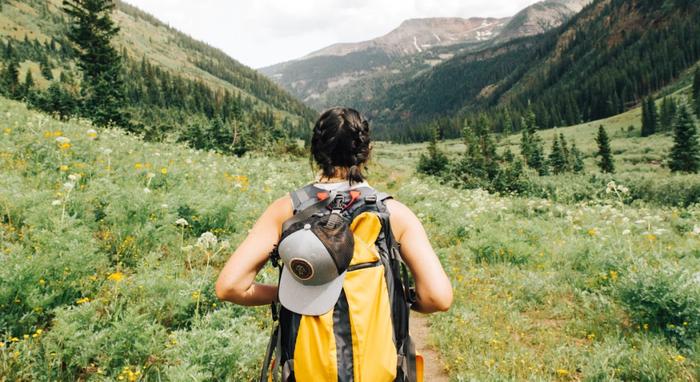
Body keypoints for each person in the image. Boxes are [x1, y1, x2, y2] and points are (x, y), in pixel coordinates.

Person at [215, 107, 452, 379]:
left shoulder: (286, 210)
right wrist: (399, 297)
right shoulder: (394, 214)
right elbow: (438, 297)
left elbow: (229, 287)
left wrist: (290, 294)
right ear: (367, 151)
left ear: (315, 151)